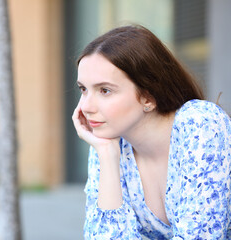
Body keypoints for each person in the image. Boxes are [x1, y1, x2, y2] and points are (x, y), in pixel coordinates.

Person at [72, 25, 231, 239]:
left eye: (105, 90)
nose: (86, 106)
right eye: (83, 89)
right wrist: (107, 154)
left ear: (148, 97)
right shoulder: (109, 142)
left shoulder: (200, 124)